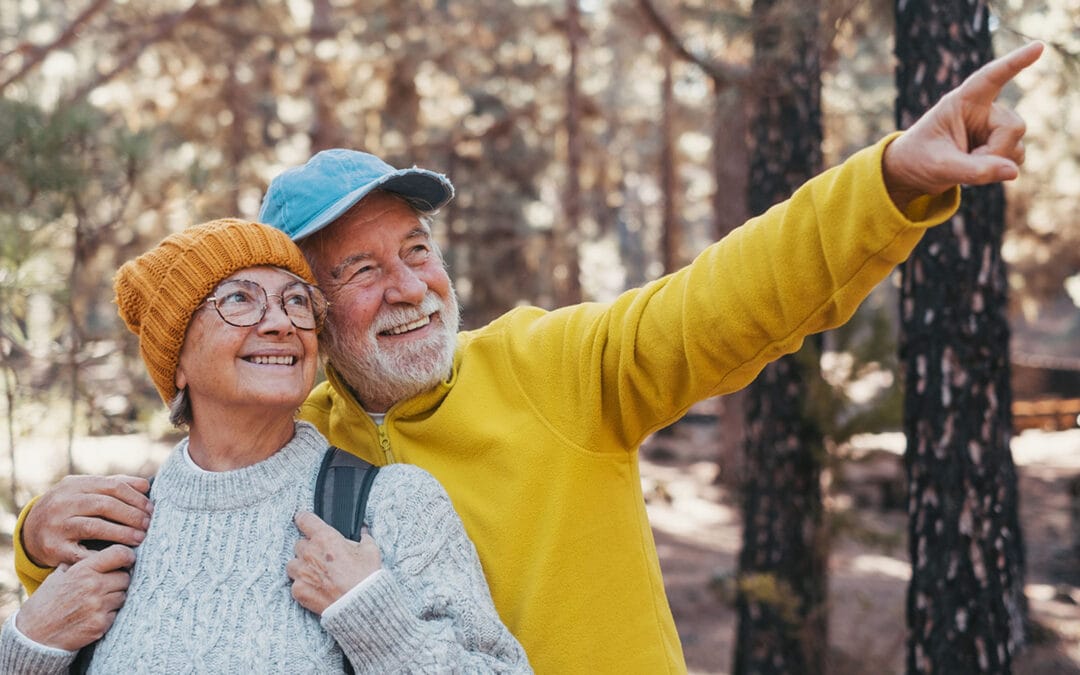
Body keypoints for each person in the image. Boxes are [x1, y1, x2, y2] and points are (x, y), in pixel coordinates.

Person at [13, 42, 1044, 674]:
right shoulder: (295, 444)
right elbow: (168, 579)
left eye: (417, 249)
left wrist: (891, 181)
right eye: (361, 270)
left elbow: (738, 294)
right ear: (312, 315)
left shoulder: (557, 367)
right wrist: (35, 539)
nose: (411, 287)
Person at [0, 219, 530, 673]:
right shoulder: (114, 529)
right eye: (239, 299)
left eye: (296, 301)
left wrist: (375, 617)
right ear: (176, 362)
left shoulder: (392, 505)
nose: (279, 323)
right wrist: (27, 646)